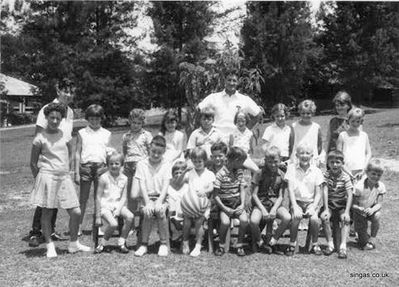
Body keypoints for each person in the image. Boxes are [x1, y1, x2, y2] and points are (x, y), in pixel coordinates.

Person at [30, 102, 91, 257]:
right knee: (47, 213)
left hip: (64, 177)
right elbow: (32, 163)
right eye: (52, 118)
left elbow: (71, 152)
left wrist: (67, 167)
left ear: (61, 119)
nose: (55, 121)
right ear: (46, 118)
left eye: (58, 118)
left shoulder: (64, 135)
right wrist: (41, 179)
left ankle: (73, 243)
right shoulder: (39, 138)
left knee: (76, 212)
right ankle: (50, 246)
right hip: (47, 178)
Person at [28, 79, 75, 247]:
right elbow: (38, 136)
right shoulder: (46, 109)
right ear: (58, 90)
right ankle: (35, 232)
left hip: (60, 160)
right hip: (47, 160)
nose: (68, 95)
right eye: (65, 91)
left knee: (55, 199)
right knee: (45, 199)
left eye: (71, 92)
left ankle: (50, 230)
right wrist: (39, 167)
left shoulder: (69, 112)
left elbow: (67, 137)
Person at [74, 104, 112, 236]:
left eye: (97, 119)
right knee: (83, 199)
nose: (94, 121)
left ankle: (98, 225)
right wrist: (76, 172)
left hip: (101, 168)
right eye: (91, 119)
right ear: (87, 119)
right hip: (85, 168)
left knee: (99, 198)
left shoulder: (107, 133)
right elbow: (77, 153)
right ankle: (78, 226)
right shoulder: (82, 133)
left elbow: (108, 153)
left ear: (101, 118)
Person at [197, 69, 261, 142]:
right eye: (229, 80)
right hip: (216, 138)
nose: (231, 83)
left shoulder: (244, 99)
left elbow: (258, 114)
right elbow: (199, 109)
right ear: (225, 81)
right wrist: (204, 128)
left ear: (238, 82)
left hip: (237, 138)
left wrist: (245, 129)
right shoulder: (214, 97)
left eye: (234, 81)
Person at [132, 135, 171, 257]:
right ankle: (144, 244)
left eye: (159, 153)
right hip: (146, 196)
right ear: (149, 149)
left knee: (159, 211)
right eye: (153, 151)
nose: (155, 155)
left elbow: (165, 186)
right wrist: (148, 202)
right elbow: (142, 184)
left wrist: (160, 201)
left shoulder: (167, 164)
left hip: (162, 196)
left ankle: (163, 244)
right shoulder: (141, 164)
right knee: (148, 212)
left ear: (164, 152)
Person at [285, 143, 324, 256]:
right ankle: (292, 244)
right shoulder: (291, 168)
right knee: (296, 218)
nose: (304, 155)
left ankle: (315, 244)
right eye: (301, 153)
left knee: (314, 219)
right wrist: (295, 206)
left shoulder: (317, 171)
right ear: (296, 155)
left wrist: (313, 206)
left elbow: (318, 193)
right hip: (296, 201)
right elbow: (290, 190)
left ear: (312, 156)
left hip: (310, 202)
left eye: (307, 153)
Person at [250, 146, 291, 254]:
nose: (273, 164)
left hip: (275, 204)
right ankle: (260, 241)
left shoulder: (282, 175)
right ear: (265, 161)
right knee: (253, 221)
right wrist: (263, 210)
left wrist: (273, 209)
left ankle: (274, 240)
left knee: (287, 217)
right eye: (269, 162)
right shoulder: (259, 173)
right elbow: (254, 195)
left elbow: (281, 196)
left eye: (275, 162)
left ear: (280, 160)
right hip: (260, 204)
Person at [178, 148, 215, 257]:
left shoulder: (209, 174)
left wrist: (205, 190)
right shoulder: (190, 173)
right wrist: (184, 170)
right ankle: (185, 242)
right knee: (187, 221)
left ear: (205, 161)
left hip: (203, 205)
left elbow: (212, 187)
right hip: (189, 205)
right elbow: (178, 182)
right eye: (195, 161)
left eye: (200, 161)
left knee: (199, 221)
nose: (197, 164)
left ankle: (198, 245)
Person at [94, 152, 134, 254]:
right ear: (107, 165)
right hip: (105, 206)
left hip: (118, 205)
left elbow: (124, 197)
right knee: (113, 224)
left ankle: (121, 241)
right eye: (111, 164)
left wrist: (119, 209)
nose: (114, 166)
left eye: (116, 163)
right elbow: (98, 196)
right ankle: (102, 244)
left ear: (121, 165)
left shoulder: (124, 178)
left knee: (130, 217)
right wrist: (98, 216)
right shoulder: (104, 177)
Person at [213, 147, 249, 257]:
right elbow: (216, 196)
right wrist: (225, 208)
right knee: (225, 222)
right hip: (224, 204)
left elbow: (242, 189)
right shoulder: (221, 174)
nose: (243, 164)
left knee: (244, 220)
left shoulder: (239, 172)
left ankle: (239, 244)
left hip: (237, 203)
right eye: (242, 162)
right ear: (235, 160)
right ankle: (221, 244)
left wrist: (242, 204)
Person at [320, 150, 353, 259]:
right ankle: (330, 244)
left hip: (341, 205)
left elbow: (349, 195)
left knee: (345, 219)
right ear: (328, 163)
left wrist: (347, 212)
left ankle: (343, 246)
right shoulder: (326, 175)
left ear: (342, 163)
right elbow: (324, 191)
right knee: (324, 217)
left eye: (338, 162)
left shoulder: (345, 177)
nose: (335, 165)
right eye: (332, 162)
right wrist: (325, 209)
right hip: (329, 204)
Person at [122, 109, 153, 214]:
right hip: (128, 166)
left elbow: (150, 151)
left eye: (139, 123)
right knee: (130, 194)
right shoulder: (126, 136)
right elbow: (125, 151)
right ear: (130, 121)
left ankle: (142, 222)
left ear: (142, 123)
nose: (136, 125)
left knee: (141, 193)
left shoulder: (146, 135)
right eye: (134, 122)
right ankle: (131, 223)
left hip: (141, 166)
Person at [352, 158, 386, 250]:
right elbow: (353, 205)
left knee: (377, 215)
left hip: (370, 211)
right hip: (359, 212)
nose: (376, 177)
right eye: (373, 174)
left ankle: (372, 238)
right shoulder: (359, 186)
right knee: (362, 243)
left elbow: (379, 204)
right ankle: (361, 235)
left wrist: (372, 209)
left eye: (379, 175)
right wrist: (359, 209)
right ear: (367, 173)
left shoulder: (381, 186)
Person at [336, 107, 371, 179]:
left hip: (361, 170)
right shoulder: (343, 135)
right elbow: (338, 156)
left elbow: (368, 153)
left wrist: (364, 168)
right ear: (348, 121)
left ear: (361, 122)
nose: (355, 123)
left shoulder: (364, 135)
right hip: (346, 171)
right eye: (353, 121)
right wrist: (346, 170)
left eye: (358, 121)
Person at [290, 100, 324, 167]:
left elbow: (319, 146)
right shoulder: (294, 126)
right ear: (299, 113)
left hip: (312, 159)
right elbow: (291, 144)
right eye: (303, 113)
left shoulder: (316, 127)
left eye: (308, 113)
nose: (305, 115)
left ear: (313, 113)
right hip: (297, 158)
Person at [261, 103, 294, 171]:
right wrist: (269, 156)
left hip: (286, 159)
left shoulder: (290, 129)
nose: (280, 118)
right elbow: (264, 146)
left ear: (286, 115)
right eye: (277, 116)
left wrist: (289, 161)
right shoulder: (269, 129)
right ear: (273, 116)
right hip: (272, 158)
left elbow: (292, 147)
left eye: (282, 116)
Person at [167, 161, 189, 245]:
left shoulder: (187, 184)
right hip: (172, 212)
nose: (179, 175)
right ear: (172, 174)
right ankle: (174, 233)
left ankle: (180, 234)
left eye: (181, 172)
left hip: (184, 212)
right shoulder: (170, 185)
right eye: (176, 173)